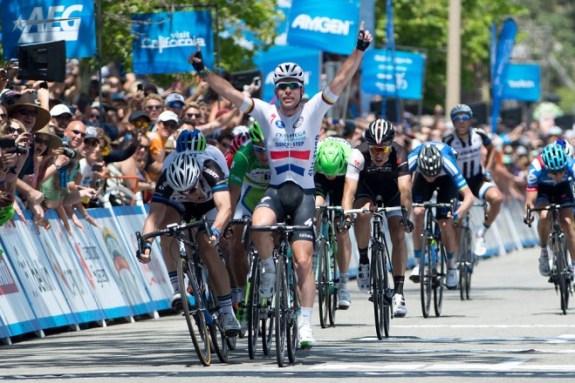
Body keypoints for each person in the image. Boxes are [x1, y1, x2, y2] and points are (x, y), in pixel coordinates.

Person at [188, 23, 372, 348]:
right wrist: (204, 72)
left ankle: (304, 325)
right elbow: (230, 92)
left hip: (302, 194)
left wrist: (358, 50)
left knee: (303, 260)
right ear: (277, 90)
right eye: (283, 86)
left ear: (302, 90)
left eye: (293, 86)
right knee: (258, 226)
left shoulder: (314, 110)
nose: (288, 91)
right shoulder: (265, 112)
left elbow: (340, 80)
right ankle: (269, 269)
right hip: (275, 191)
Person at [138, 131, 240, 336]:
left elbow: (226, 207)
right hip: (179, 206)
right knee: (167, 230)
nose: (189, 194)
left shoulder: (211, 166)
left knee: (207, 247)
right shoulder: (168, 175)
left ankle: (228, 311)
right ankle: (179, 287)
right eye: (184, 190)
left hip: (210, 203)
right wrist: (146, 245)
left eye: (191, 189)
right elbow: (153, 217)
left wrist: (216, 230)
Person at [341, 119, 413, 317]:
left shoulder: (399, 153)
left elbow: (405, 190)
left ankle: (399, 292)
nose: (379, 154)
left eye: (383, 150)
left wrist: (407, 216)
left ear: (391, 146)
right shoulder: (358, 153)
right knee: (362, 214)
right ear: (367, 146)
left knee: (398, 232)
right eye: (374, 149)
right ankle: (364, 259)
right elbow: (349, 191)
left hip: (392, 193)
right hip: (367, 191)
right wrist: (347, 216)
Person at [407, 142, 475, 289]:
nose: (431, 177)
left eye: (433, 174)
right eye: (427, 174)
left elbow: (469, 197)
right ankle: (418, 263)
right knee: (418, 212)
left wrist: (457, 214)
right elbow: (401, 188)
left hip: (446, 180)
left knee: (445, 223)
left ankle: (451, 267)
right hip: (421, 179)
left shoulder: (449, 163)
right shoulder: (412, 160)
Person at [443, 104, 503, 256]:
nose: (461, 121)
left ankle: (481, 232)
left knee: (497, 199)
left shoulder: (479, 134)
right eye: (457, 118)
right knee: (456, 223)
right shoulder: (449, 140)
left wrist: (488, 169)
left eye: (465, 118)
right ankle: (454, 264)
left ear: (470, 120)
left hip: (477, 179)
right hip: (458, 184)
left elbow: (492, 149)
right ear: (453, 122)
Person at [226, 121, 270, 327]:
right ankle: (243, 295)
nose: (263, 154)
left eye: (267, 148)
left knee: (277, 238)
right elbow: (233, 194)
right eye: (258, 148)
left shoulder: (280, 154)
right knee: (234, 246)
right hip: (247, 200)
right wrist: (227, 220)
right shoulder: (243, 155)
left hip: (272, 198)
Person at [314, 136, 354, 309]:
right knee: (315, 207)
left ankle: (343, 284)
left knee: (342, 230)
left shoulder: (350, 158)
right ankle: (315, 246)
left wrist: (347, 216)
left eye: (332, 174)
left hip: (343, 180)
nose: (330, 176)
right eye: (327, 173)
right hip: (317, 176)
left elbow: (349, 194)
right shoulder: (314, 156)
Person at [524, 143, 575, 277]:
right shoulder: (535, 168)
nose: (558, 175)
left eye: (561, 171)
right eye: (553, 172)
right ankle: (544, 252)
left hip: (564, 189)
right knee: (544, 216)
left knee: (568, 222)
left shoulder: (571, 164)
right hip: (544, 191)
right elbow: (530, 200)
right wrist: (528, 214)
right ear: (546, 167)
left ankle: (574, 265)